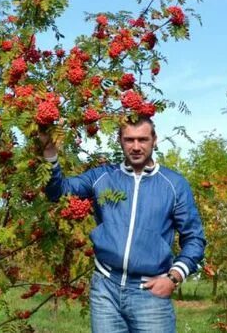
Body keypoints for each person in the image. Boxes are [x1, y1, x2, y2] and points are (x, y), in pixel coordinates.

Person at [40, 116, 205, 333]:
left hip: (150, 293)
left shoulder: (174, 184)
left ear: (154, 140)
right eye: (129, 140)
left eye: (143, 139)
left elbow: (194, 238)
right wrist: (50, 152)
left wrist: (174, 278)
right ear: (120, 140)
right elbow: (57, 191)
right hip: (105, 290)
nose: (136, 146)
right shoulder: (102, 177)